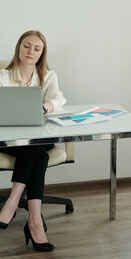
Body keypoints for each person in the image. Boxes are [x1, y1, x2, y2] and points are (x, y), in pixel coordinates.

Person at [0, 30, 66, 252]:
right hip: (9, 140)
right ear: (19, 47)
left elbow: (58, 98)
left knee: (35, 147)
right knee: (38, 154)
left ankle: (12, 203)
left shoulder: (47, 76)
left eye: (37, 48)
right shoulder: (2, 76)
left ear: (42, 53)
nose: (31, 51)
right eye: (27, 46)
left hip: (38, 137)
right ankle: (34, 222)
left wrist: (45, 106)